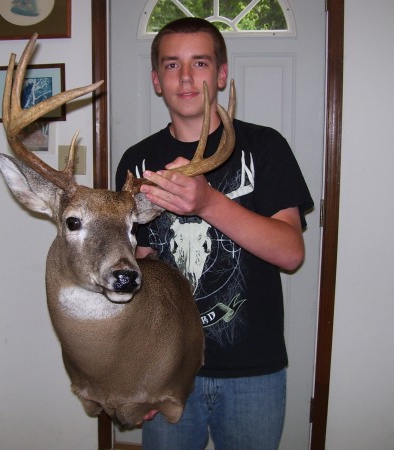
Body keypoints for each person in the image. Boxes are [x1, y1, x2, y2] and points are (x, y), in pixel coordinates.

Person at [115, 17, 314, 450]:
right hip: (168, 368)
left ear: (221, 74)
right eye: (171, 65)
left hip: (253, 371)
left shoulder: (265, 148)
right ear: (156, 80)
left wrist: (209, 203)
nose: (186, 77)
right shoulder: (136, 160)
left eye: (200, 63)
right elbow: (136, 274)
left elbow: (290, 252)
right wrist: (136, 371)